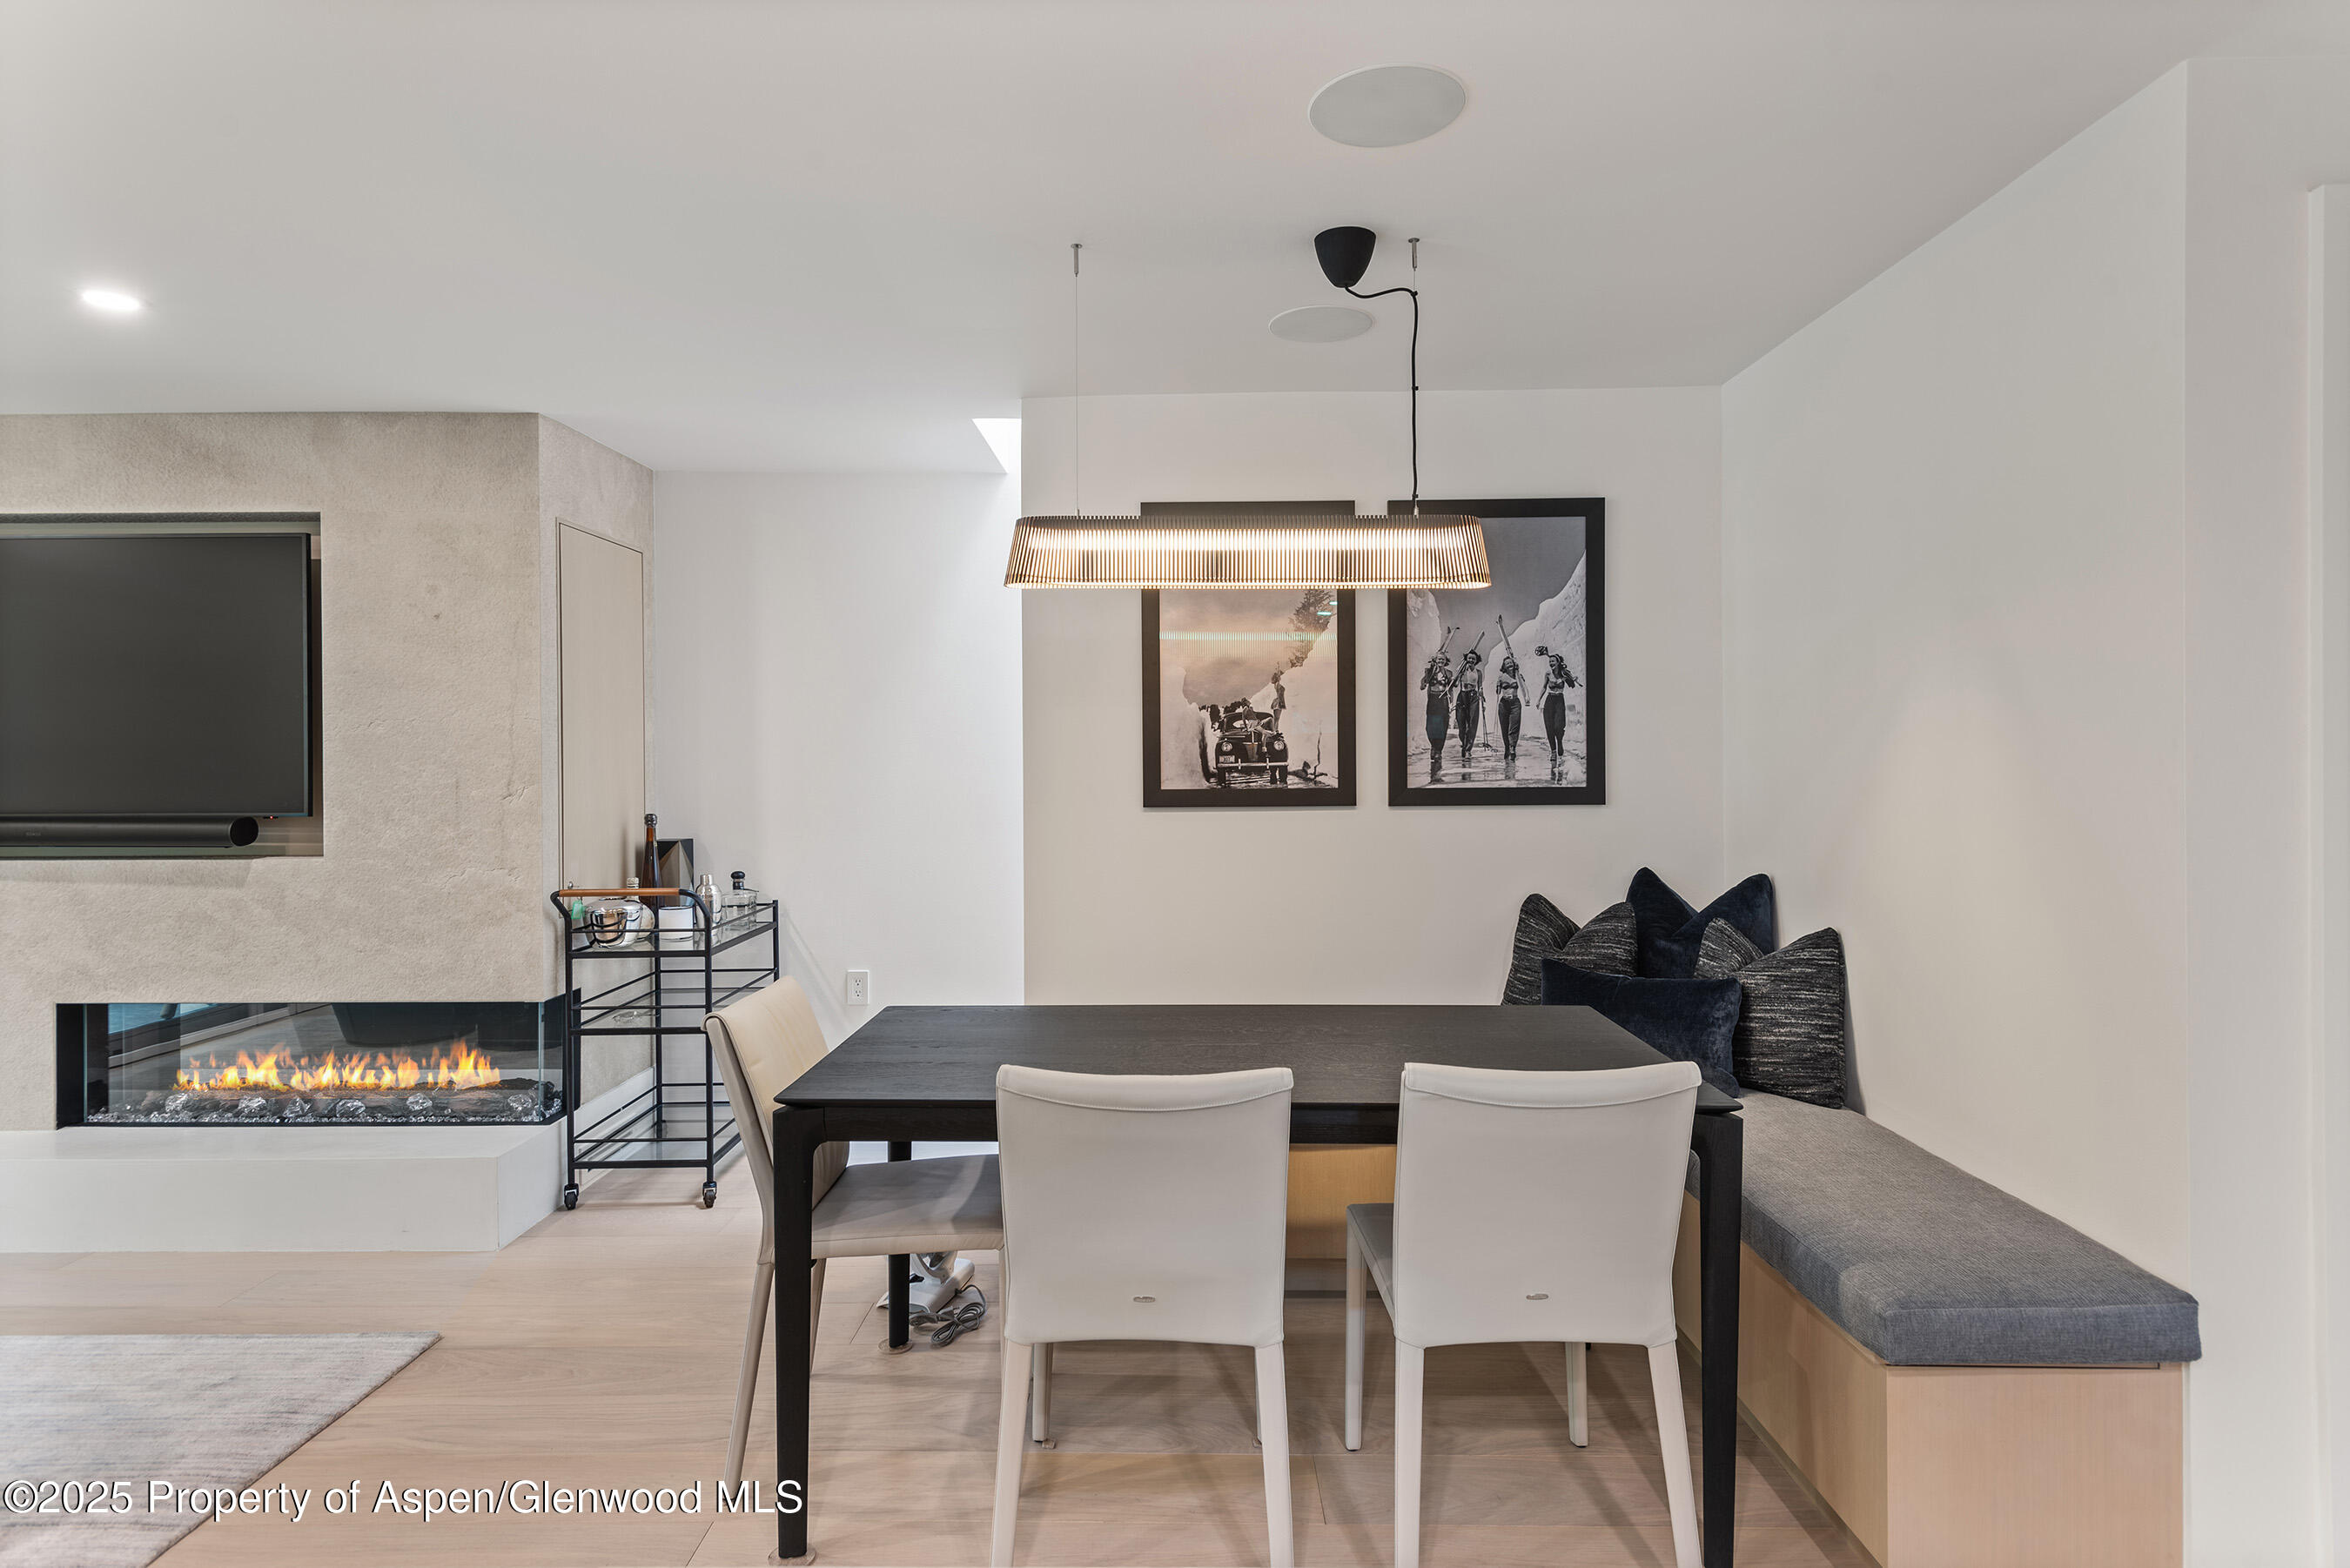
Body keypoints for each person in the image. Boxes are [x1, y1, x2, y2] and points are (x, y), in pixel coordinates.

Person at [1535, 644, 1577, 776]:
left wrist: (1571, 679)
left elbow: (1572, 685)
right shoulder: (1548, 673)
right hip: (1549, 700)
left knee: (1559, 726)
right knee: (1549, 727)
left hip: (1559, 700)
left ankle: (1559, 742)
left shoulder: (1564, 673)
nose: (1551, 663)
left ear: (1558, 662)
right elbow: (1543, 687)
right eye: (1549, 662)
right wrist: (1538, 700)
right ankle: (1553, 751)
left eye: (1553, 661)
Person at [1419, 650, 1453, 781]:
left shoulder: (1448, 673)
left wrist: (1451, 703)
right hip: (1432, 700)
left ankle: (1438, 750)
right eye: (1438, 660)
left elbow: (1450, 689)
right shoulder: (1430, 672)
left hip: (1443, 700)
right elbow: (1422, 686)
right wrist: (1426, 677)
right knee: (1430, 726)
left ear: (1446, 661)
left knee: (1443, 726)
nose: (1441, 662)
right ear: (1435, 660)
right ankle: (1434, 745)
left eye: (1442, 660)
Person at [1453, 647, 1485, 773]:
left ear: (1476, 661)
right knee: (1461, 724)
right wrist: (1458, 674)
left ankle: (1467, 750)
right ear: (1466, 659)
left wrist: (1482, 692)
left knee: (1472, 723)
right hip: (1462, 695)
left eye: (1473, 659)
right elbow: (1455, 684)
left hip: (1473, 697)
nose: (1471, 660)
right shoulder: (1461, 670)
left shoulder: (1479, 672)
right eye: (1469, 658)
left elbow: (1480, 685)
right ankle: (1464, 742)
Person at [1494, 655, 1524, 767]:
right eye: (1507, 664)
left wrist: (1527, 698)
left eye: (1511, 663)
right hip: (1504, 704)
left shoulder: (1518, 676)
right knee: (1504, 728)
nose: (1509, 665)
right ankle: (1507, 747)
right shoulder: (1501, 677)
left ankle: (1513, 748)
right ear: (1504, 666)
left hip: (1515, 703)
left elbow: (1524, 687)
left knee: (1514, 727)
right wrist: (1498, 686)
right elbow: (1497, 692)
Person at [1266, 670, 1286, 734]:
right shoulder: (1278, 685)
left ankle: (1275, 729)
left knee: (1276, 718)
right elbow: (1280, 694)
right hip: (1279, 702)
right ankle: (1275, 730)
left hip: (1276, 702)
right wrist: (1282, 703)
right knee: (1277, 718)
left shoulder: (1276, 685)